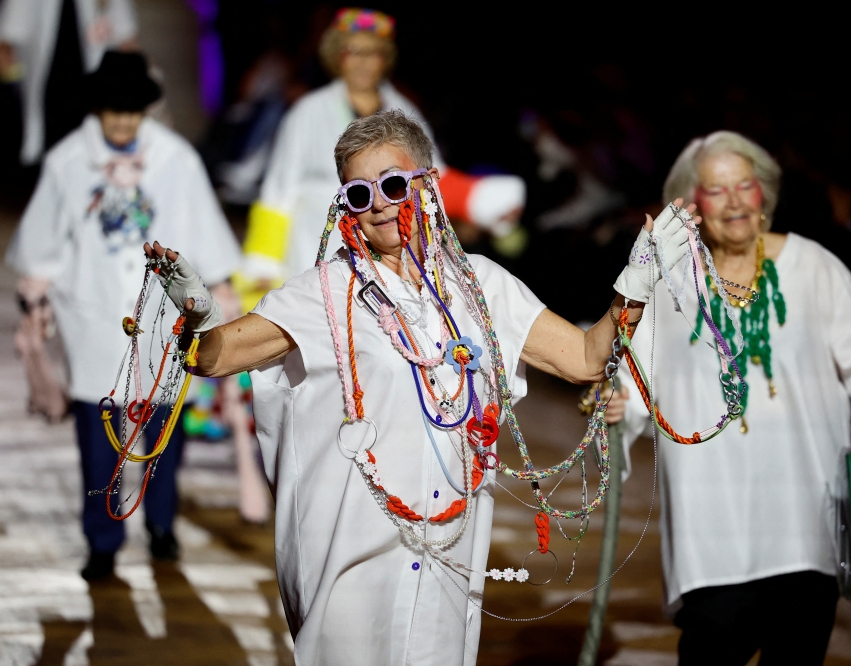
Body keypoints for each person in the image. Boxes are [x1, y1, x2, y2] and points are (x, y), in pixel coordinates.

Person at [141, 109, 692, 665]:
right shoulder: (322, 294)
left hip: (449, 557)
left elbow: (585, 359)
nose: (379, 203)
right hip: (351, 558)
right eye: (359, 193)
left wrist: (635, 284)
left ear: (427, 185)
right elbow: (215, 356)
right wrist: (199, 314)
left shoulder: (484, 286)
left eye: (394, 184)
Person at [609, 131, 851, 664]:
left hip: (804, 522)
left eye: (744, 184)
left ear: (764, 193)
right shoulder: (672, 280)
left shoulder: (813, 266)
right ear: (693, 203)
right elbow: (638, 369)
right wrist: (619, 403)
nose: (733, 200)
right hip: (713, 521)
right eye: (715, 188)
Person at [5, 51, 241, 580]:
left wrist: (220, 286)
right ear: (98, 108)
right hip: (93, 314)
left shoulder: (176, 158)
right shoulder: (68, 160)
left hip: (160, 312)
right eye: (114, 109)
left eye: (132, 110)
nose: (122, 120)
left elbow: (201, 224)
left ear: (144, 111)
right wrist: (39, 282)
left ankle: (161, 525)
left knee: (163, 429)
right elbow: (43, 238)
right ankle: (103, 539)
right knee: (99, 437)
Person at [234, 7, 527, 313]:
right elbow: (277, 195)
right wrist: (263, 263)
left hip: (391, 245)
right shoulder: (307, 111)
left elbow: (428, 179)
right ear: (338, 57)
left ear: (384, 59)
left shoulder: (404, 110)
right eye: (353, 52)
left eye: (372, 53)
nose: (362, 63)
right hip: (313, 246)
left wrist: (477, 198)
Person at [0, 0, 138, 165]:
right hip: (48, 82)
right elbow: (11, 32)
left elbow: (125, 33)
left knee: (89, 142)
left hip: (90, 81)